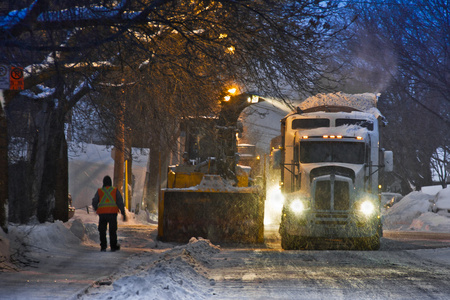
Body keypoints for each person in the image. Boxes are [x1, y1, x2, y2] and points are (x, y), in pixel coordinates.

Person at [92, 175, 127, 252]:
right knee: (112, 230)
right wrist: (123, 213)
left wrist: (96, 208)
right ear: (111, 183)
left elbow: (95, 201)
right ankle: (113, 246)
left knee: (102, 230)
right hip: (112, 213)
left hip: (102, 214)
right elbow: (120, 202)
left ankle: (103, 246)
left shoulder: (100, 191)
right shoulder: (115, 190)